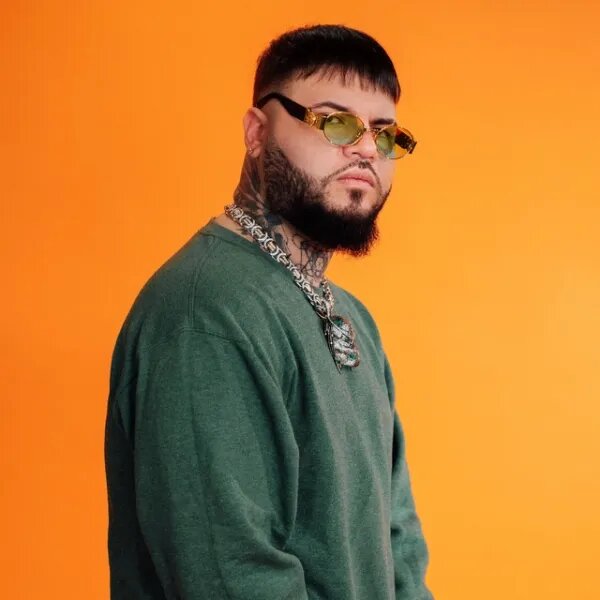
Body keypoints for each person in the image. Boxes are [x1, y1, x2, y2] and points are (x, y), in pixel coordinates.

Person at [104, 24, 433, 600]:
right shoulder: (205, 313)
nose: (365, 149)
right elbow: (231, 573)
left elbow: (398, 544)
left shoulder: (353, 318)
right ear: (257, 132)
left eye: (385, 134)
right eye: (335, 122)